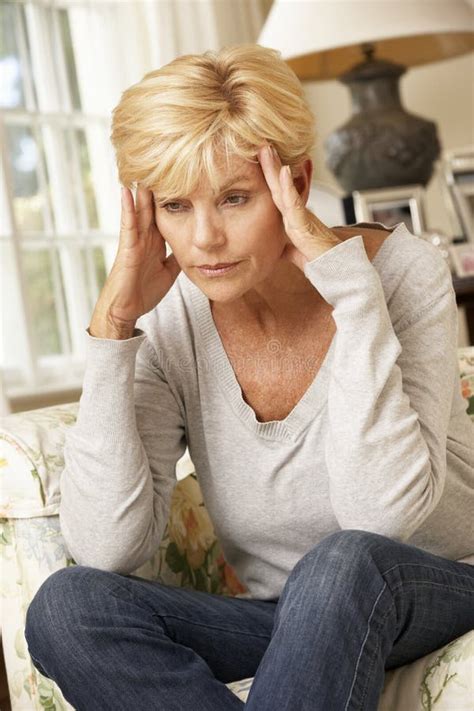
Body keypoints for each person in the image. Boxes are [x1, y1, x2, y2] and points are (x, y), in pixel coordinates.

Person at [24, 43, 474, 711]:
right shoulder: (173, 313)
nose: (205, 238)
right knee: (68, 606)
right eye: (176, 206)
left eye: (234, 198)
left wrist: (353, 296)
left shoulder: (403, 275)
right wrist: (115, 323)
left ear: (294, 183)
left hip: (428, 583)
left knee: (342, 562)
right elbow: (109, 546)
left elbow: (380, 517)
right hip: (289, 616)